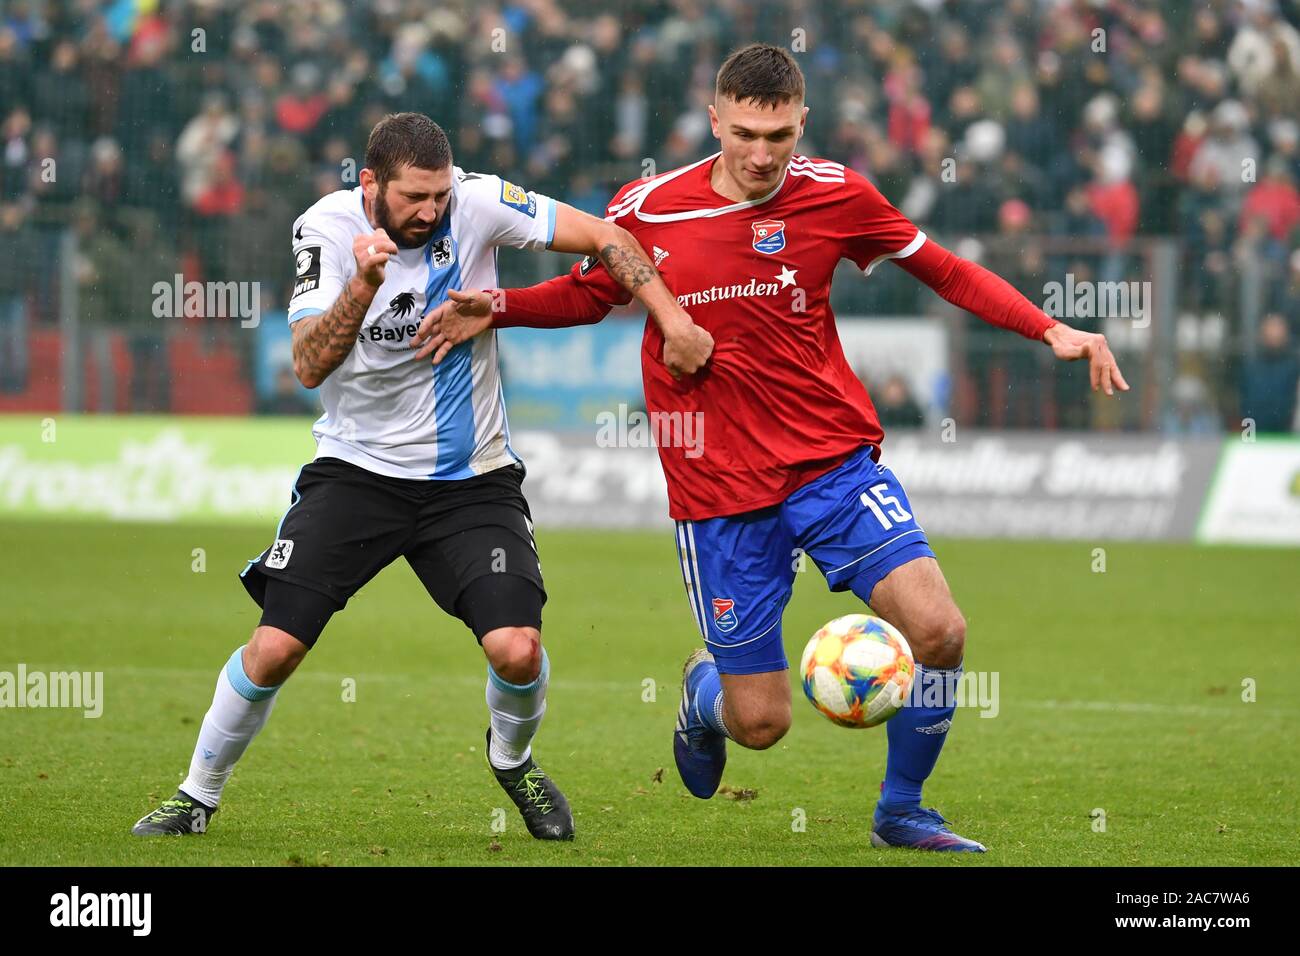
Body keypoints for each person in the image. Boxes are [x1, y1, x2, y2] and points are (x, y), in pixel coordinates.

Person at [415, 46, 1128, 853]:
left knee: (940, 632)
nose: (760, 155)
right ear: (715, 118)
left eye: (779, 136)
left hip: (832, 463)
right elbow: (590, 293)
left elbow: (944, 270)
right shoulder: (648, 208)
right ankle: (703, 696)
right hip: (719, 492)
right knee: (761, 725)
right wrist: (501, 306)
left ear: (803, 124)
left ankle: (903, 809)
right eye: (745, 133)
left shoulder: (837, 196)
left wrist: (1050, 327)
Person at [132, 112, 710, 841]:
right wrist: (364, 284)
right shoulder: (325, 230)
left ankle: (514, 762)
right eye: (413, 198)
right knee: (274, 648)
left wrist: (670, 318)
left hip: (472, 480)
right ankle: (195, 796)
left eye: (439, 196)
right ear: (370, 183)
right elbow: (309, 363)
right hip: (357, 473)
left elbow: (610, 239)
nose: (431, 212)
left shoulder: (479, 201)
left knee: (518, 649)